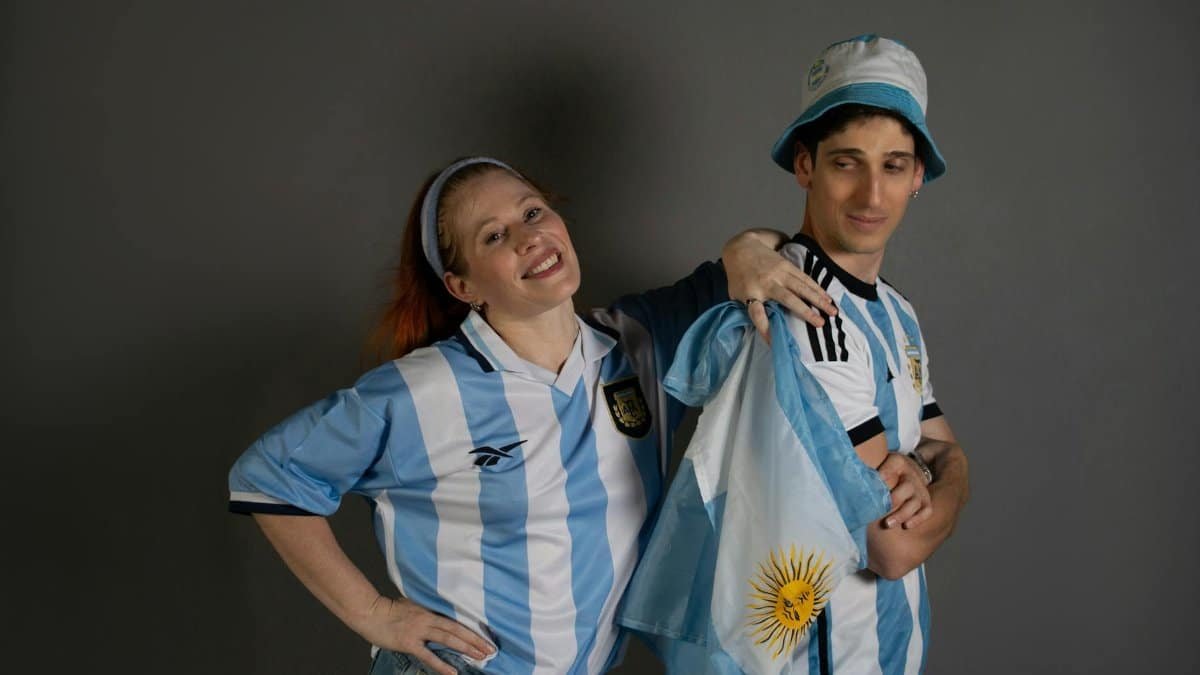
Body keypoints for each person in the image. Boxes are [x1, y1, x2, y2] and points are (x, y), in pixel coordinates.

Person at [227, 156, 837, 675]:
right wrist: (375, 614)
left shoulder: (642, 342)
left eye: (532, 212)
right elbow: (268, 477)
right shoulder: (420, 393)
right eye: (493, 236)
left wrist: (744, 247)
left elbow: (757, 257)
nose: (528, 237)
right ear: (462, 286)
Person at [619, 35, 970, 674]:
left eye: (893, 165)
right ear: (804, 166)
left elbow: (947, 448)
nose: (870, 195)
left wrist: (937, 469)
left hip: (891, 652)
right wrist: (945, 482)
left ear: (918, 176)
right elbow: (892, 547)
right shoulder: (810, 313)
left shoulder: (895, 309)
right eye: (846, 163)